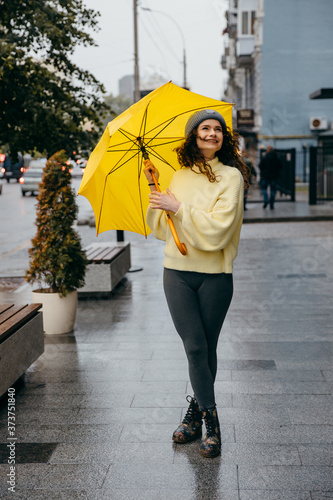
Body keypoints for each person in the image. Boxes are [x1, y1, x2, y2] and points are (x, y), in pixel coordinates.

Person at [144, 109, 248, 458]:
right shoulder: (178, 176)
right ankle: (211, 424)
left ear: (224, 138)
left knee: (207, 348)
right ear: (193, 135)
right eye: (205, 128)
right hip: (177, 273)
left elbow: (220, 230)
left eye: (217, 129)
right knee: (194, 349)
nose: (212, 133)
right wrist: (157, 192)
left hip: (215, 276)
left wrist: (180, 207)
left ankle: (195, 417)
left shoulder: (231, 177)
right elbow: (162, 229)